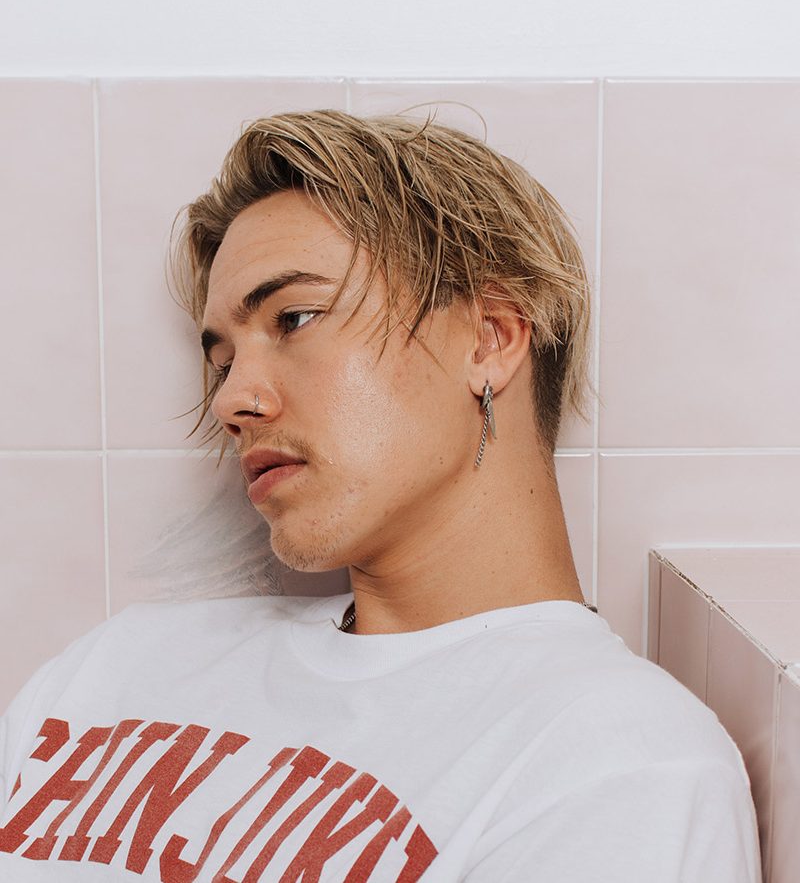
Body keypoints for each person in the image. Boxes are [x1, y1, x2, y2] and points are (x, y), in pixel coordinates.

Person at [0, 110, 761, 882]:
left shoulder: (623, 767)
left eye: (294, 318)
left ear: (490, 338)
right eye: (223, 359)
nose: (232, 398)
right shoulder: (112, 666)